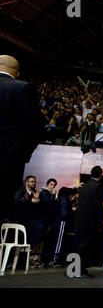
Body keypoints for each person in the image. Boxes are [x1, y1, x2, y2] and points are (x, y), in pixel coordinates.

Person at [0, 55, 44, 225]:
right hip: (6, 163)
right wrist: (21, 155)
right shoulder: (23, 88)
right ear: (17, 73)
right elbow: (36, 128)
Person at [74, 166, 103, 278]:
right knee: (86, 246)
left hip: (80, 220)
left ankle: (74, 269)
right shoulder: (98, 186)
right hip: (90, 221)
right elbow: (98, 204)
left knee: (79, 245)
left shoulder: (85, 186)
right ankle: (81, 270)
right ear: (101, 175)